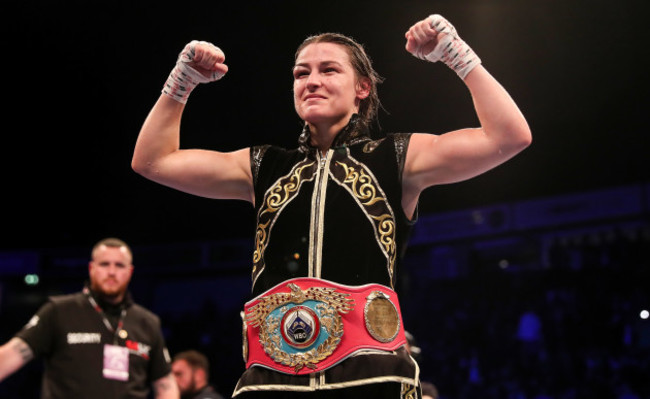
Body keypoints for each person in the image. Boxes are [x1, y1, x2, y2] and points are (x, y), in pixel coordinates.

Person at [132, 13, 531, 398]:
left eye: (329, 70)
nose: (311, 81)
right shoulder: (261, 166)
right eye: (301, 73)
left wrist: (455, 53)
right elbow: (152, 162)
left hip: (371, 381)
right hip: (270, 383)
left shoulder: (397, 158)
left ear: (363, 88)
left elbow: (509, 135)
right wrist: (180, 82)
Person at [0, 238, 179, 399]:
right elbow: (12, 353)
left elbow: (166, 386)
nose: (111, 271)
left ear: (130, 271)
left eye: (119, 265)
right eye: (104, 264)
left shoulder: (147, 322)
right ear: (91, 268)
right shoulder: (59, 311)